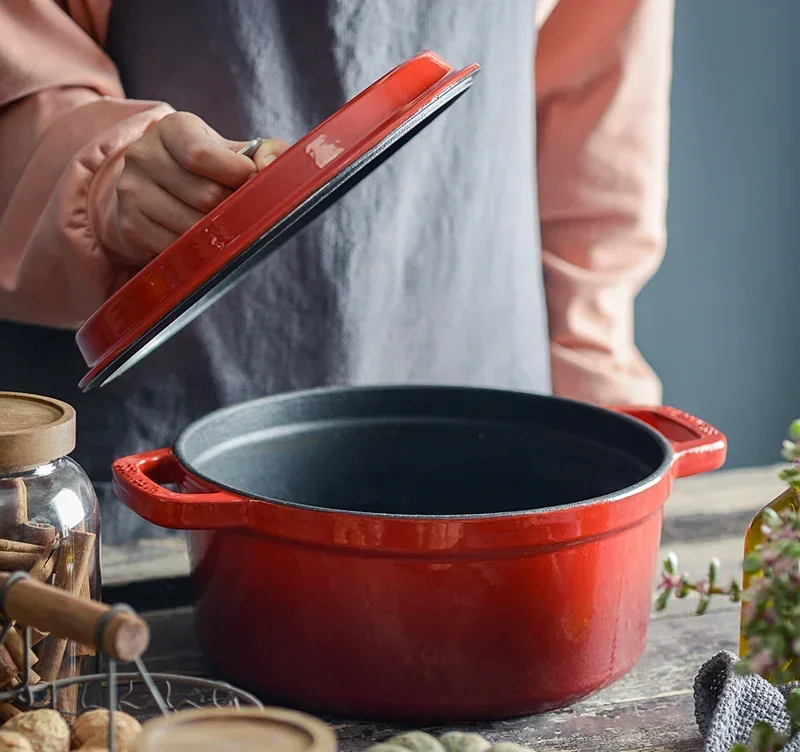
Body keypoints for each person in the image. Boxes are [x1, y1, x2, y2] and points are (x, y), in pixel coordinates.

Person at [0, 0, 674, 544]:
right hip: (153, 474)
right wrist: (101, 179)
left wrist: (605, 425)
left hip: (488, 386)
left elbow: (597, 130)